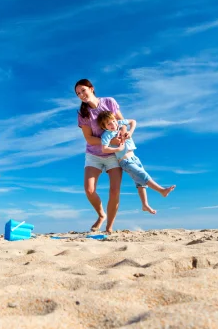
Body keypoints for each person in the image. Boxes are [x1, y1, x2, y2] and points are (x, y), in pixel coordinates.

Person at [97, 111, 175, 214]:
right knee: (142, 175)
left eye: (113, 121)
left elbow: (133, 121)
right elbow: (104, 149)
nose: (113, 125)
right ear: (104, 127)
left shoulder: (120, 124)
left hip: (134, 158)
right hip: (125, 161)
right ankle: (161, 190)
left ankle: (145, 205)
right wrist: (117, 149)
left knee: (140, 183)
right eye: (109, 124)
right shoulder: (107, 134)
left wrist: (130, 132)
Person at [75, 78, 126, 233]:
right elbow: (89, 138)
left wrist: (124, 134)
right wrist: (108, 140)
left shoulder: (109, 102)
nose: (81, 95)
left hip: (113, 154)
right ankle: (101, 215)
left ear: (91, 88)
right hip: (94, 155)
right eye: (78, 93)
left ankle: (109, 227)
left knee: (114, 191)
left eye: (83, 90)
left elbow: (122, 122)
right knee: (89, 190)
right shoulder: (83, 114)